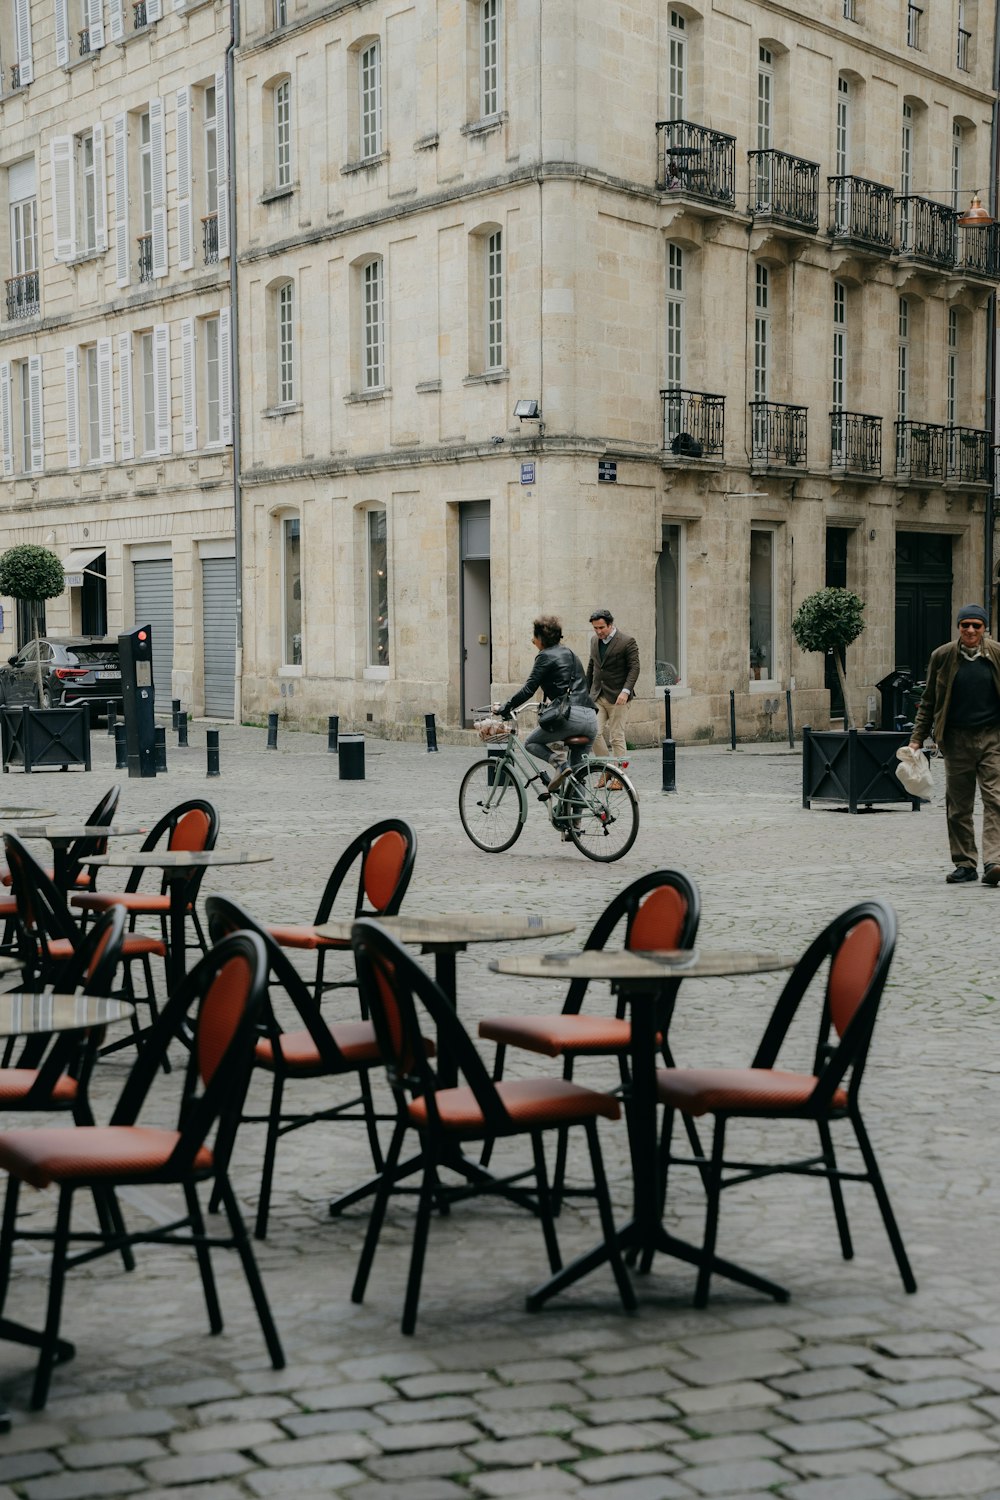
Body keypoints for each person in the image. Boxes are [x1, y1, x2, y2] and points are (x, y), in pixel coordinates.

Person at [909, 604, 1000, 885]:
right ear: (958, 627)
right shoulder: (943, 656)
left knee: (995, 799)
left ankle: (993, 861)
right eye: (965, 625)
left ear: (985, 628)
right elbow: (929, 700)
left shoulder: (996, 654)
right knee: (958, 806)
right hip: (956, 738)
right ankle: (965, 863)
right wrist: (916, 738)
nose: (970, 630)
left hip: (992, 737)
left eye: (976, 625)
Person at [496, 616, 597, 809]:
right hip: (590, 718)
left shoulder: (544, 656)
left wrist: (506, 707)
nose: (532, 641)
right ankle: (574, 826)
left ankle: (559, 764)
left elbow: (528, 689)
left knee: (531, 742)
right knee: (577, 775)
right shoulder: (571, 653)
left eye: (534, 637)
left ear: (541, 638)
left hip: (571, 716)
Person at [586, 609, 640, 761]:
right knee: (593, 732)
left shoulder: (626, 641)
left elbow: (634, 668)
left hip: (618, 697)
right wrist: (586, 692)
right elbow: (592, 666)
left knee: (616, 737)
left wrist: (626, 691)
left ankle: (619, 775)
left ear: (610, 625)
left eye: (601, 627)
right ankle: (607, 768)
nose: (598, 631)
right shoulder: (594, 641)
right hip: (598, 695)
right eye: (595, 628)